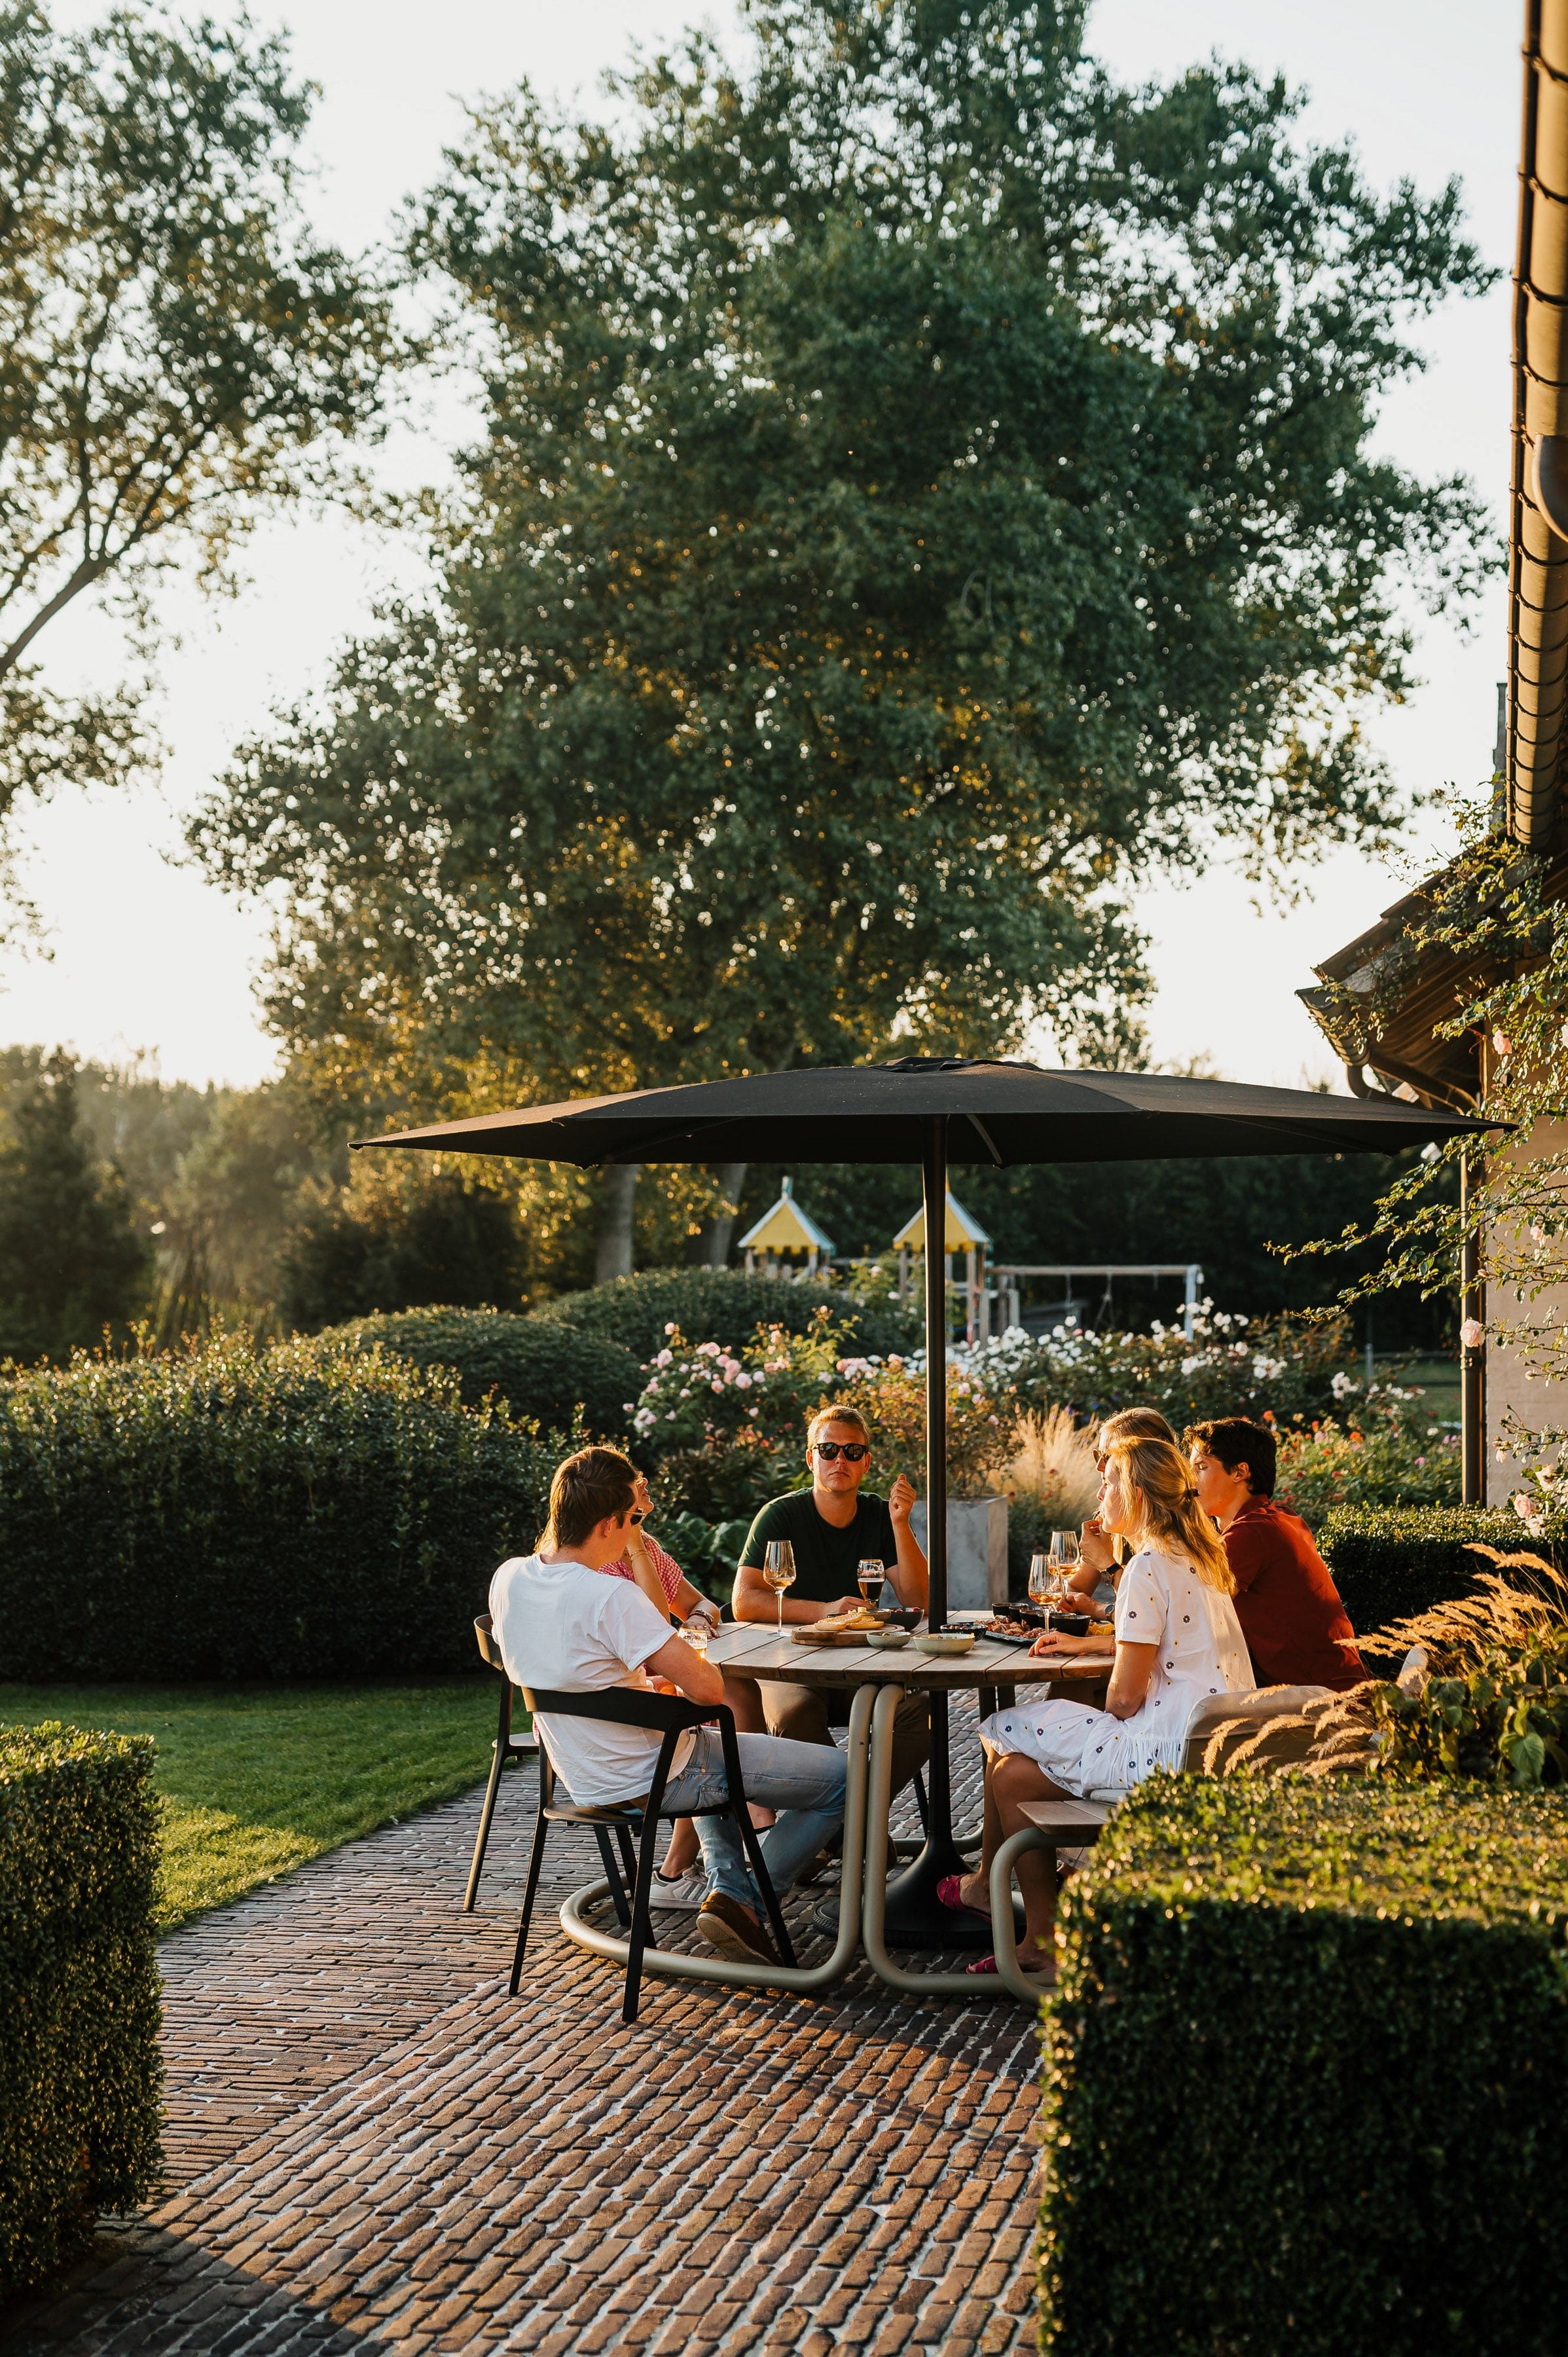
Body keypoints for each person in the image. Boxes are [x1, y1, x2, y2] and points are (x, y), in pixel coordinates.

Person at [489, 1444, 847, 1967]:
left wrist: (636, 1692)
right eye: (633, 1518)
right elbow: (707, 1690)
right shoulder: (610, 1597)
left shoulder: (509, 1578)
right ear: (613, 1521)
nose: (637, 1526)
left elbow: (560, 1664)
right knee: (848, 1775)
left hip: (580, 1776)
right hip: (656, 1777)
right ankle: (744, 1900)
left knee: (709, 1748)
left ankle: (727, 1888)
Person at [944, 1433, 1251, 1975]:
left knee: (1005, 1738)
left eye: (1106, 1483)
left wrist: (1095, 1703)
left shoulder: (1146, 1566)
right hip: (1212, 1747)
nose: (1098, 1496)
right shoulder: (1201, 1556)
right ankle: (1041, 1925)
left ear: (1133, 1492)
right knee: (1013, 1768)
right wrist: (1094, 1647)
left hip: (1166, 1755)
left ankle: (1038, 1936)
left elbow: (1125, 1698)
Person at [733, 1402, 931, 1798]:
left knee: (925, 1714)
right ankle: (852, 1829)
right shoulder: (780, 1516)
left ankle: (848, 1825)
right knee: (795, 1716)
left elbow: (918, 1599)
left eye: (852, 1451)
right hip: (789, 1668)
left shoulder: (879, 1515)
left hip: (858, 1666)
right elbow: (744, 1602)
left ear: (866, 1462)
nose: (840, 1459)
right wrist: (823, 1611)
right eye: (828, 1450)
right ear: (811, 1459)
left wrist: (900, 1524)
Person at [599, 1472, 774, 1891]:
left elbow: (703, 1604)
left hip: (650, 1680)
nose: (647, 1489)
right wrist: (636, 1541)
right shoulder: (600, 1564)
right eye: (637, 1485)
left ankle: (684, 1866)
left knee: (732, 1692)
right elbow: (652, 1627)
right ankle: (748, 1824)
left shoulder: (649, 1551)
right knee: (718, 1700)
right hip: (619, 1702)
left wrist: (695, 1619)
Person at [1186, 1417, 1366, 1692]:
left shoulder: (1253, 1533)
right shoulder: (1277, 1518)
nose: (1190, 1479)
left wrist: (1111, 1569)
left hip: (1321, 1707)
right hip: (1327, 1694)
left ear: (1239, 1472)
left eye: (1201, 1467)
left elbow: (1181, 1614)